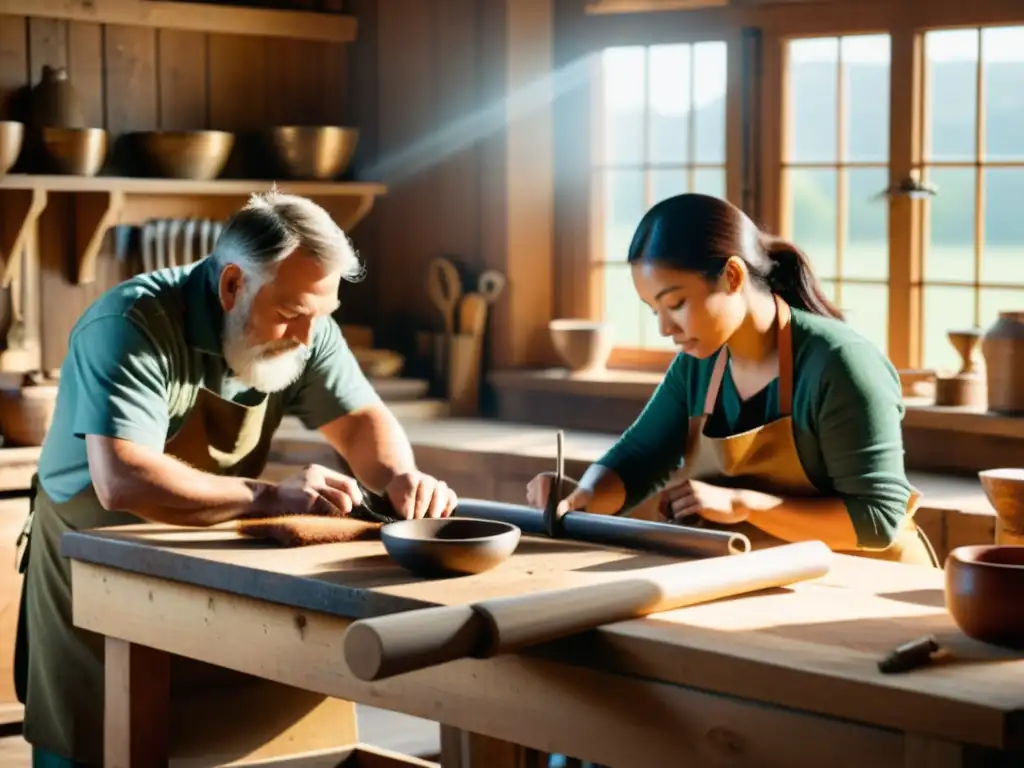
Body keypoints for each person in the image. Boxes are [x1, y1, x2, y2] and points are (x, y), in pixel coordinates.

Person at [15, 190, 458, 766]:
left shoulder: (306, 321)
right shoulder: (131, 323)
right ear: (231, 286)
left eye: (320, 316)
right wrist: (271, 496)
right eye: (291, 314)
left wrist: (402, 477)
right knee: (103, 745)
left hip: (214, 553)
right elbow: (122, 479)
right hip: (94, 569)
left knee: (266, 743)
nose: (306, 336)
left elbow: (361, 421)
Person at [526, 193, 937, 567]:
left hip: (871, 581)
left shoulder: (840, 364)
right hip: (768, 574)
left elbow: (878, 520)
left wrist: (746, 505)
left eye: (677, 303)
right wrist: (582, 496)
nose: (665, 328)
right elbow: (636, 461)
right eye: (655, 310)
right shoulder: (698, 364)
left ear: (733, 277)